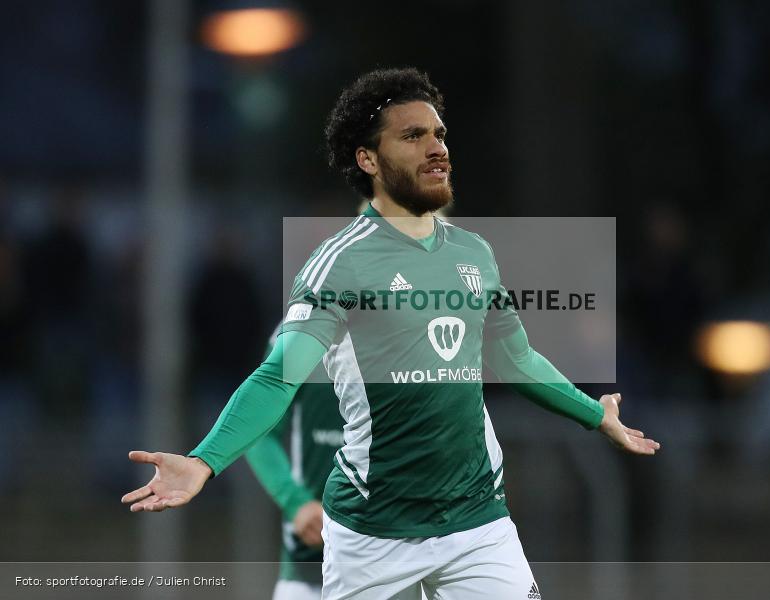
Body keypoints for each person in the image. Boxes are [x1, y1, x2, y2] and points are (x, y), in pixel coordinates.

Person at [123, 67, 660, 600]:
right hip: (373, 531)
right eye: (413, 136)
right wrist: (204, 460)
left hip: (477, 521)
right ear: (368, 160)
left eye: (439, 134)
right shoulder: (341, 263)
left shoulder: (474, 252)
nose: (436, 147)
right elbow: (276, 378)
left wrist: (596, 416)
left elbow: (517, 360)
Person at [244, 323, 345, 600]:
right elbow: (258, 430)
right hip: (311, 564)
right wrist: (295, 501)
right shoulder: (299, 330)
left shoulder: (419, 320)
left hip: (400, 551)